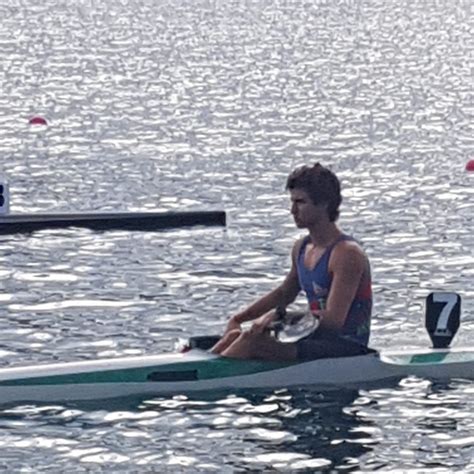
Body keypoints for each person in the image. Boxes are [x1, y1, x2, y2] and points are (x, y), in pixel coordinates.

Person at [212, 163, 372, 361]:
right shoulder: (301, 248)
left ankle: (204, 381)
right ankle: (198, 367)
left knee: (250, 341)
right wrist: (239, 318)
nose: (292, 210)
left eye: (300, 202)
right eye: (292, 202)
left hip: (346, 348)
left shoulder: (347, 254)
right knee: (236, 335)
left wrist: (279, 318)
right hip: (313, 340)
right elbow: (284, 293)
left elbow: (333, 322)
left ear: (323, 204)